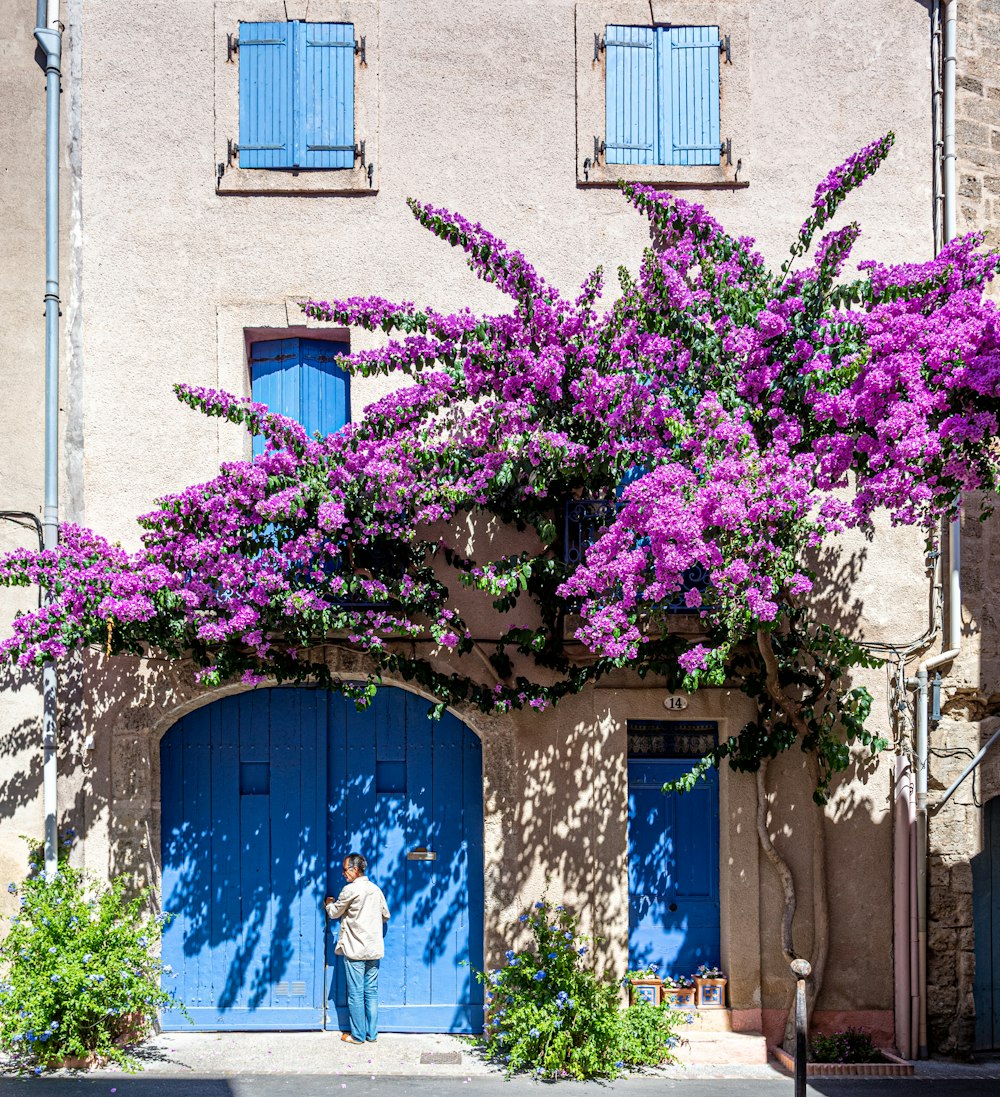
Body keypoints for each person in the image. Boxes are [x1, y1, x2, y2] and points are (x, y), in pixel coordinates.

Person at [324, 852, 390, 1044]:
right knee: (371, 992)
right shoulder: (376, 890)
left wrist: (329, 904)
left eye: (345, 869)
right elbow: (385, 914)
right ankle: (372, 1034)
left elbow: (335, 913)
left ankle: (358, 1036)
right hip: (373, 948)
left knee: (355, 993)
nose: (343, 873)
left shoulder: (349, 890)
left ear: (354, 869)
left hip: (355, 949)